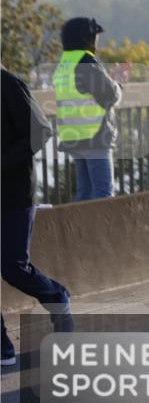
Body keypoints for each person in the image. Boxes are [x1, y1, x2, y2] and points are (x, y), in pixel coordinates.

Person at [1, 67, 74, 366]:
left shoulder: (8, 84)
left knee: (13, 267)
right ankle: (2, 347)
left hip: (12, 194)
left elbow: (40, 130)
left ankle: (57, 298)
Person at [53, 17, 126, 201]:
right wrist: (118, 84)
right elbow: (110, 95)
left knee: (84, 193)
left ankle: (82, 230)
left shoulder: (65, 64)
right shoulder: (86, 62)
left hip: (74, 136)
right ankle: (103, 230)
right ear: (87, 38)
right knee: (103, 194)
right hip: (95, 136)